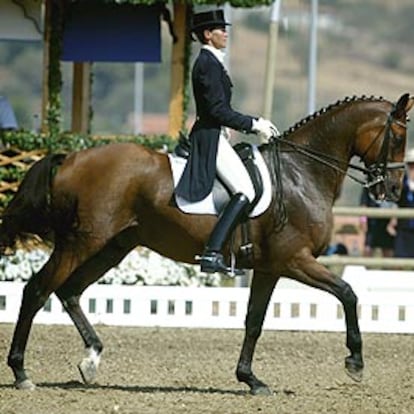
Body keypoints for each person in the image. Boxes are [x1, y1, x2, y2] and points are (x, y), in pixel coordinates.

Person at [175, 9, 278, 275]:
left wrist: (227, 127)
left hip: (215, 132)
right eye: (221, 29)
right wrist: (254, 124)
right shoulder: (207, 64)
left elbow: (216, 111)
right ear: (208, 35)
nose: (226, 33)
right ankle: (212, 252)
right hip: (208, 137)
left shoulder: (212, 61)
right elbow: (217, 110)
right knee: (246, 190)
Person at [387, 148, 414, 257]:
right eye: (411, 165)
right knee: (400, 259)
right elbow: (396, 203)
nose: (413, 168)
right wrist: (392, 221)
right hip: (404, 228)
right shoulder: (401, 184)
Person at [359, 187, 395, 257]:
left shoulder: (392, 182)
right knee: (367, 250)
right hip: (372, 223)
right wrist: (363, 220)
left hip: (387, 223)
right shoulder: (370, 182)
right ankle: (366, 267)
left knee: (389, 252)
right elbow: (364, 203)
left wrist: (394, 220)